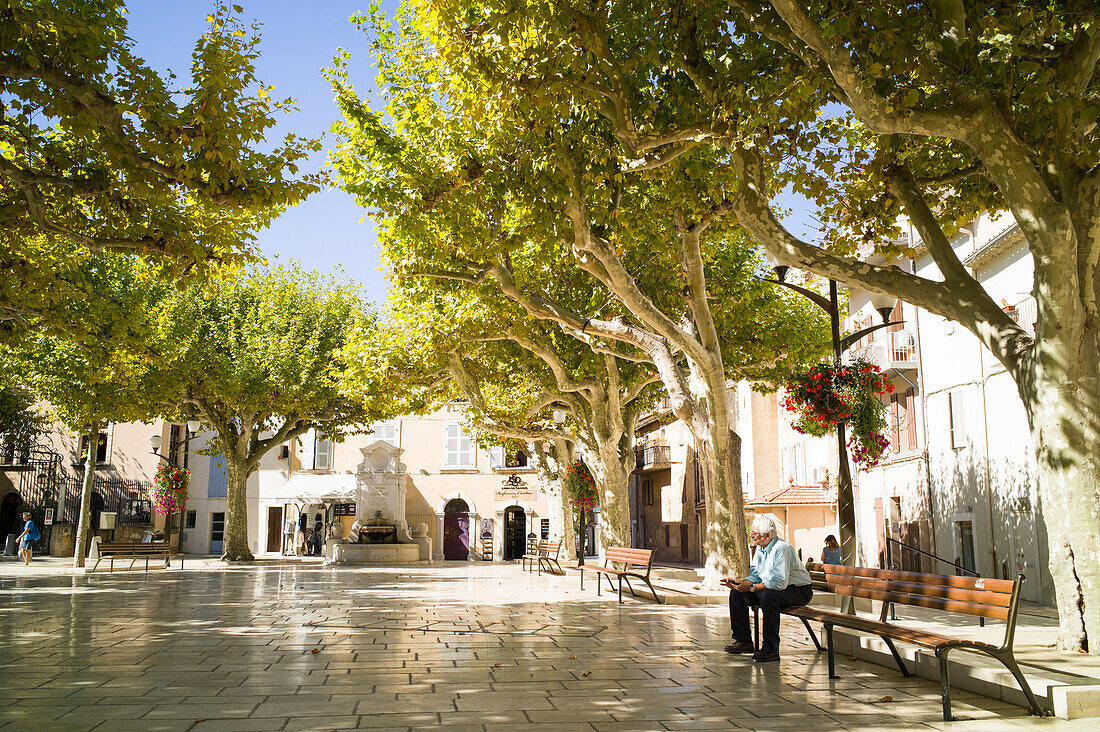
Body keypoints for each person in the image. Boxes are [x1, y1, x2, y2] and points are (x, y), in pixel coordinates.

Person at [721, 514, 813, 662]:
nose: (751, 536)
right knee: (736, 593)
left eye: (755, 534)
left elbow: (779, 583)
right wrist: (742, 583)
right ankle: (743, 641)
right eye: (752, 532)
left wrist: (752, 588)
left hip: (799, 590)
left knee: (769, 596)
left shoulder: (782, 549)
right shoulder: (759, 548)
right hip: (774, 588)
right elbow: (756, 574)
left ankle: (771, 649)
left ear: (767, 535)